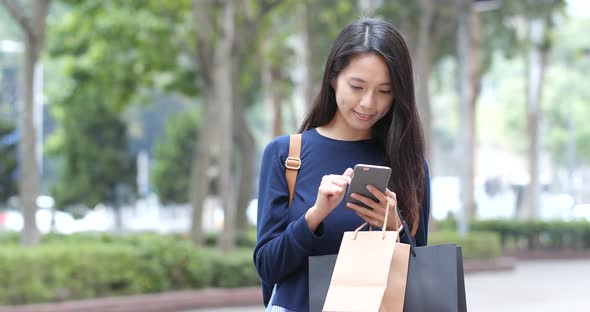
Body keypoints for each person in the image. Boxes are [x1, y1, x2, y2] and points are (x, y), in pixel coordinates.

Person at [253, 17, 430, 312]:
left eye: (384, 91)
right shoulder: (286, 156)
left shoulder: (409, 164)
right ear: (333, 78)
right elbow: (268, 269)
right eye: (357, 86)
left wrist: (395, 228)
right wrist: (314, 217)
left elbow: (419, 278)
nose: (368, 103)